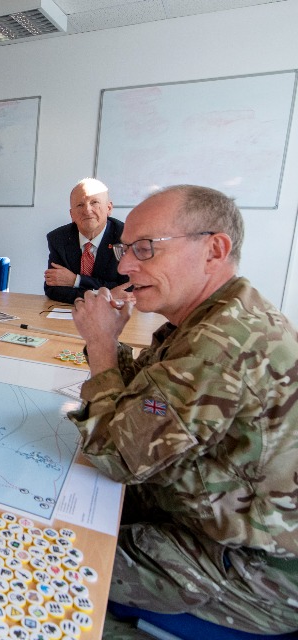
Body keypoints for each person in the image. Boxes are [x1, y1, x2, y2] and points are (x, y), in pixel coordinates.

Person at [69, 185, 298, 635]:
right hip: (205, 518)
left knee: (50, 561)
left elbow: (116, 454)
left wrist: (100, 346)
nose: (124, 265)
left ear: (214, 249)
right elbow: (148, 400)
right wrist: (111, 346)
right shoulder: (217, 314)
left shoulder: (222, 343)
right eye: (125, 249)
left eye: (145, 249)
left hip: (251, 568)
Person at [44, 178, 130, 303]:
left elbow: (128, 288)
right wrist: (107, 294)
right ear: (71, 214)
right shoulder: (58, 238)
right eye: (80, 205)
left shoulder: (126, 237)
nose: (87, 210)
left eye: (94, 202)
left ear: (109, 208)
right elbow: (53, 289)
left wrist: (76, 280)